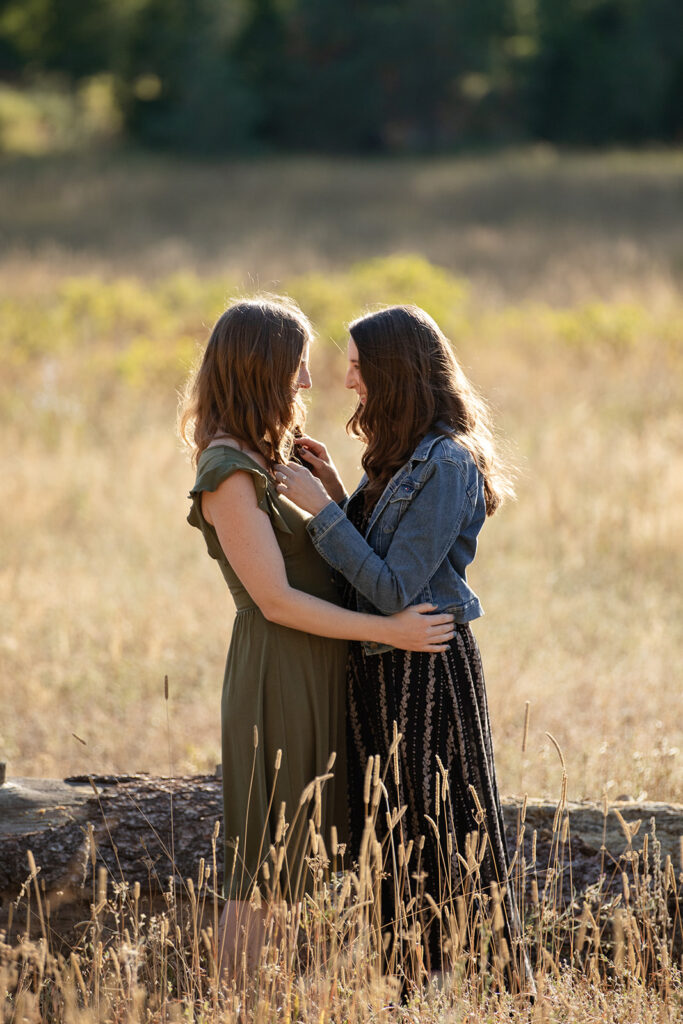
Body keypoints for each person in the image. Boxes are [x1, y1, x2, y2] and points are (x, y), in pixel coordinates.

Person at [179, 297, 455, 981]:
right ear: (261, 369)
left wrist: (332, 489)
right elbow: (274, 601)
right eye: (298, 366)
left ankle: (271, 1000)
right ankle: (234, 1006)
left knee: (292, 866)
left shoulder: (265, 457)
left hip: (318, 667)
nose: (307, 383)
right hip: (279, 674)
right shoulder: (226, 472)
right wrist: (386, 630)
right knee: (262, 869)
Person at [274, 304, 533, 991]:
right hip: (382, 664)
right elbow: (380, 559)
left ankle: (480, 990)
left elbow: (391, 589)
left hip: (424, 667)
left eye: (358, 367)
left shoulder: (445, 461)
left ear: (392, 372)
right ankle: (412, 990)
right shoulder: (404, 455)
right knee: (388, 834)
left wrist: (322, 513)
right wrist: (337, 491)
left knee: (442, 832)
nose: (349, 381)